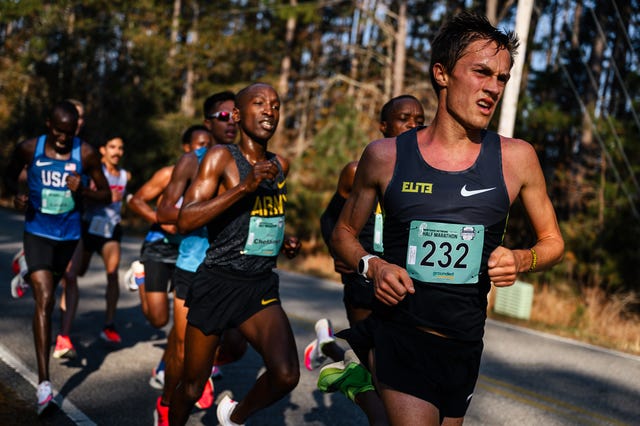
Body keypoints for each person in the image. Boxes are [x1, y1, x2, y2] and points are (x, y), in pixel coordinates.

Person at [330, 12, 565, 426]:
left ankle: (354, 376)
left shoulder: (517, 159)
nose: (493, 88)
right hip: (401, 334)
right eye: (480, 72)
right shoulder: (386, 156)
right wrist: (374, 266)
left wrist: (522, 259)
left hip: (464, 344)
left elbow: (553, 242)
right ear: (442, 73)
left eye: (502, 78)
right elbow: (344, 234)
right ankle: (365, 368)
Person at [170, 83, 301, 426]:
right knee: (192, 387)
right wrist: (244, 187)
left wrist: (283, 238)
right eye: (259, 104)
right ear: (239, 116)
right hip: (218, 282)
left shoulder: (279, 164)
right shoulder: (222, 157)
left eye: (275, 105)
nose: (269, 111)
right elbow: (186, 218)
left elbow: (257, 218)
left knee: (286, 374)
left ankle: (233, 417)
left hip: (258, 285)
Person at [305, 95, 425, 425]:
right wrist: (339, 253)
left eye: (419, 118)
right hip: (362, 274)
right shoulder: (358, 170)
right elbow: (331, 218)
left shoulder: (426, 176)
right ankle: (333, 351)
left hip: (402, 279)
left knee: (392, 374)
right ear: (384, 126)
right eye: (404, 118)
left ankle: (328, 345)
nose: (413, 124)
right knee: (375, 370)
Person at [3, 100, 111, 416]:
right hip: (36, 231)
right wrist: (17, 195)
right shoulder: (28, 148)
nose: (64, 139)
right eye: (59, 132)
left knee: (61, 281)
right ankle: (44, 384)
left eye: (69, 133)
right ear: (49, 125)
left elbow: (106, 194)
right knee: (46, 298)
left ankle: (26, 265)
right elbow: (9, 176)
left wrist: (85, 191)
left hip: (68, 235)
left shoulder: (86, 153)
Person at [153, 91, 248, 425]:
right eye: (221, 117)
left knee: (237, 346)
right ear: (208, 123)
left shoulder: (247, 161)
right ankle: (166, 403)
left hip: (233, 269)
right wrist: (201, 210)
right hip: (193, 265)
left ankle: (203, 366)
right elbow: (165, 209)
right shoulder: (193, 161)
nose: (229, 122)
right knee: (181, 347)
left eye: (233, 115)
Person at [127, 124, 212, 392]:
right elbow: (136, 200)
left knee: (182, 323)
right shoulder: (169, 174)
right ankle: (140, 276)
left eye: (208, 145)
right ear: (187, 148)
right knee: (158, 320)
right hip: (160, 246)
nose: (204, 149)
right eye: (199, 144)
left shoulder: (211, 178)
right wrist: (160, 221)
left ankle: (166, 367)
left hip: (188, 251)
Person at [68, 136, 131, 344]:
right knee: (76, 273)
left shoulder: (124, 176)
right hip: (89, 226)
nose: (117, 152)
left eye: (121, 148)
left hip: (111, 228)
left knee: (112, 275)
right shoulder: (94, 172)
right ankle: (64, 315)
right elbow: (81, 195)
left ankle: (109, 325)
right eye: (112, 147)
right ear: (102, 149)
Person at [52, 98, 87, 359]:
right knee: (50, 278)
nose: (79, 120)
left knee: (70, 275)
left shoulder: (86, 151)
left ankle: (64, 336)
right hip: (43, 225)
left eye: (81, 116)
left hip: (75, 223)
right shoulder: (45, 145)